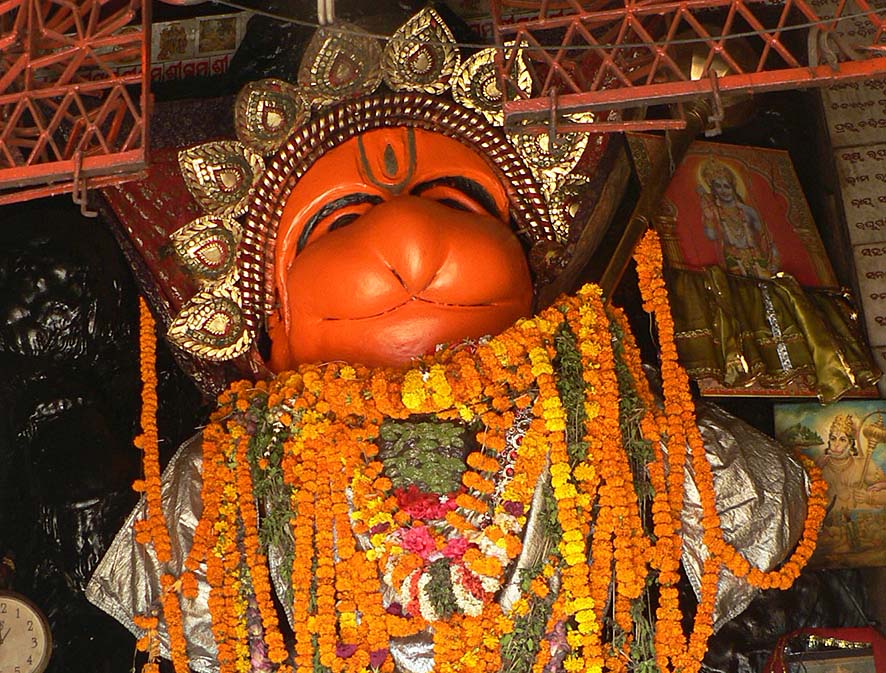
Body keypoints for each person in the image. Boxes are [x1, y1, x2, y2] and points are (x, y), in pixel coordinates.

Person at [87, 10, 816, 673]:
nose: (409, 238)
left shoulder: (617, 425)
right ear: (265, 323)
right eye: (341, 221)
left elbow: (756, 519)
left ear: (535, 274)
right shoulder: (224, 481)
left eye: (454, 202)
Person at [697, 158, 779, 279]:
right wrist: (709, 218)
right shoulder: (714, 212)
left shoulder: (748, 211)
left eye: (727, 186)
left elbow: (765, 237)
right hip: (732, 259)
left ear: (733, 187)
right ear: (713, 189)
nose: (723, 191)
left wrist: (773, 260)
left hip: (756, 257)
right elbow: (711, 236)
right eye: (718, 186)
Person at [818, 413, 886, 513]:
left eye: (842, 440)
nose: (836, 444)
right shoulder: (820, 465)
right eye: (833, 439)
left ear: (850, 443)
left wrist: (869, 497)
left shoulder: (864, 465)